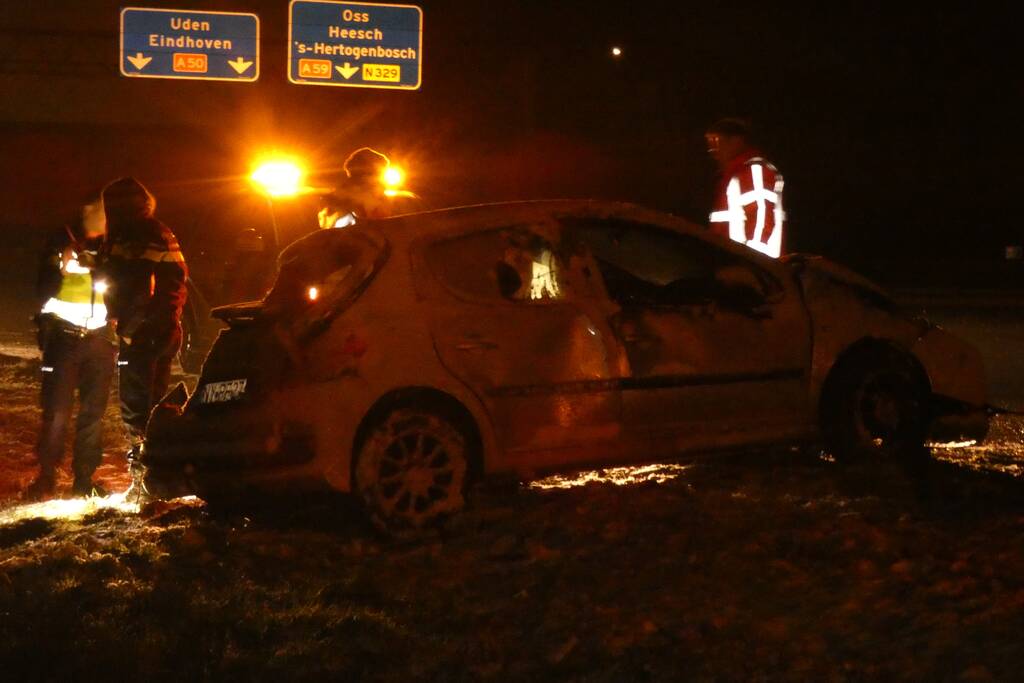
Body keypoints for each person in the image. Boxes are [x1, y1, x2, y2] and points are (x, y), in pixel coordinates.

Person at [23, 193, 117, 501]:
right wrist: (60, 263)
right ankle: (46, 477)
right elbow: (43, 285)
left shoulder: (113, 247)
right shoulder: (61, 241)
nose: (105, 217)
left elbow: (125, 284)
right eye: (99, 211)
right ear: (86, 212)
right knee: (56, 411)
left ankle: (84, 480)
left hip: (100, 338)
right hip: (64, 336)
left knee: (93, 413)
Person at [99, 177, 187, 500]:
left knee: (137, 408)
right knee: (152, 405)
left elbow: (136, 285)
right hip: (161, 330)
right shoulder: (156, 231)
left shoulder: (135, 235)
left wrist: (132, 328)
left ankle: (143, 484)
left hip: (144, 333)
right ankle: (158, 478)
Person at [705, 118, 786, 258]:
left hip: (747, 267)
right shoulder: (733, 176)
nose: (712, 150)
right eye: (710, 143)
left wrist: (755, 262)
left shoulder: (753, 171)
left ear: (736, 141)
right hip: (733, 263)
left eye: (717, 141)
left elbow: (761, 218)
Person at [317, 147, 418, 229]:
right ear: (364, 176)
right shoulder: (335, 201)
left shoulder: (400, 200)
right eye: (379, 174)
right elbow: (336, 232)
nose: (381, 180)